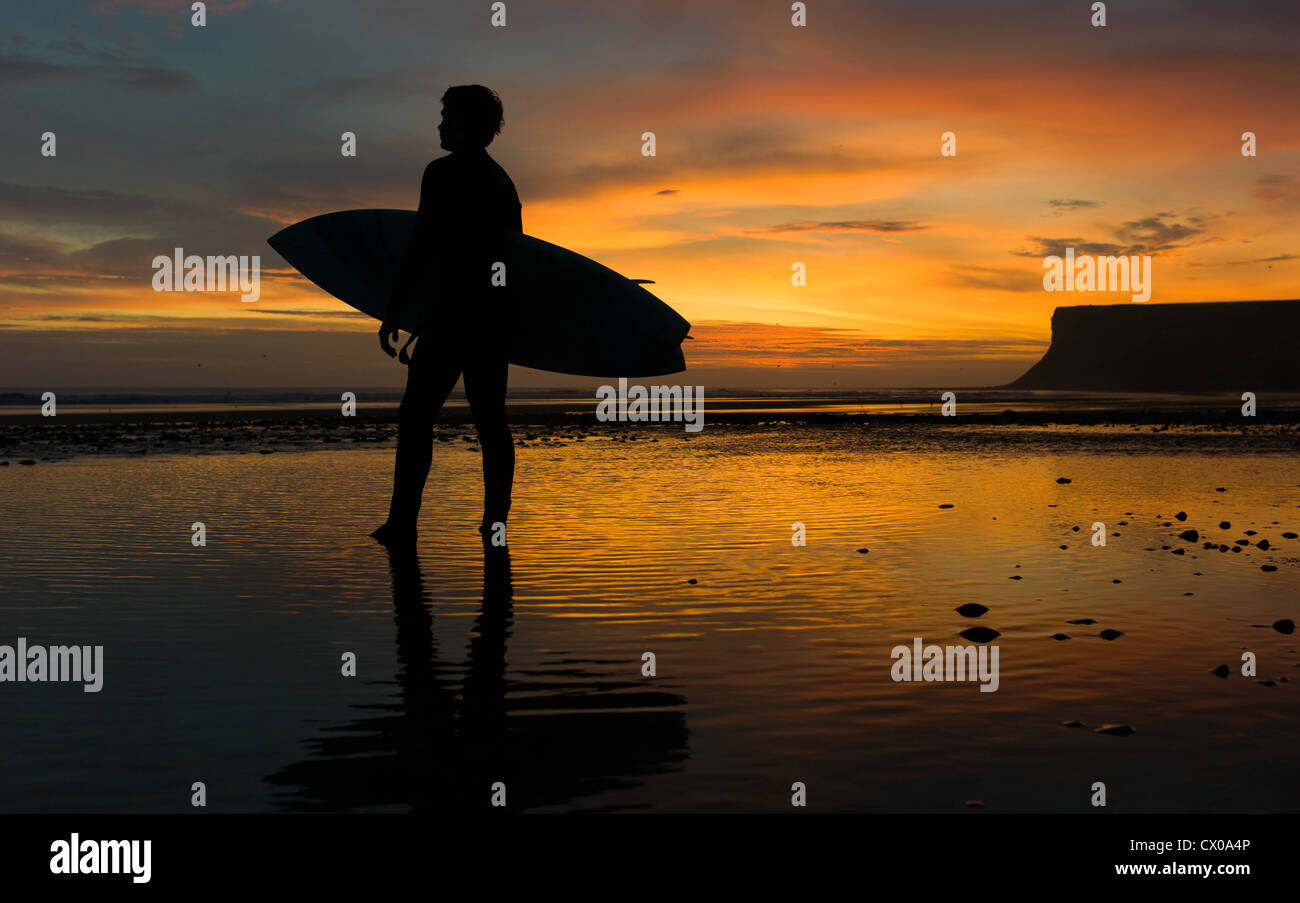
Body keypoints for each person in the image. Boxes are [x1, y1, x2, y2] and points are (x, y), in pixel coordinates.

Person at [371, 85, 522, 549]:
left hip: (452, 316)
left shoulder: (441, 173)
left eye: (446, 117)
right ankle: (494, 525)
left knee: (416, 417)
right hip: (491, 321)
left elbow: (422, 245)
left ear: (465, 123)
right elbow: (512, 260)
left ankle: (402, 523)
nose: (439, 126)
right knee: (491, 421)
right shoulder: (503, 183)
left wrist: (394, 309)